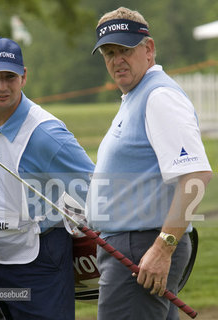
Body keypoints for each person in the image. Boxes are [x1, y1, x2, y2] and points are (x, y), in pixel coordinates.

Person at [0, 37, 95, 320]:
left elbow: (97, 188)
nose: (2, 87)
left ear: (24, 77)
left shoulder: (46, 134)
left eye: (10, 77)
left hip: (41, 259)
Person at [86, 7, 212, 320]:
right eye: (109, 53)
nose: (117, 61)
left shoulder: (159, 97)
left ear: (149, 49)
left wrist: (163, 247)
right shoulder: (138, 95)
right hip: (135, 249)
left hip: (141, 250)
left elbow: (196, 175)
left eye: (125, 50)